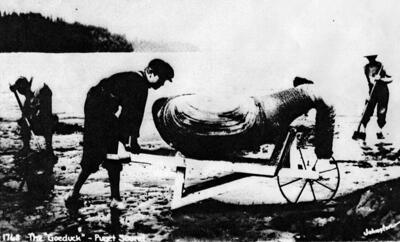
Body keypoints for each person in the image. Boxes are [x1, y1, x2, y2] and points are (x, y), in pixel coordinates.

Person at [65, 59, 174, 210]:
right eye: (161, 79)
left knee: (110, 155)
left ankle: (81, 194)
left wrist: (127, 139)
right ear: (150, 72)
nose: (161, 84)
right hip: (98, 109)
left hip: (99, 106)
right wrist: (131, 140)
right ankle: (84, 195)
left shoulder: (138, 81)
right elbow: (132, 115)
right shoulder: (139, 84)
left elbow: (132, 115)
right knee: (99, 155)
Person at [9, 77, 58, 155]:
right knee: (23, 121)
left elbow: (43, 92)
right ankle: (27, 147)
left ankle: (48, 148)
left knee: (46, 119)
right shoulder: (28, 100)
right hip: (39, 125)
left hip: (44, 125)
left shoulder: (38, 93)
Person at [360, 55, 392, 139]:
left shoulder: (381, 66)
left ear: (375, 58)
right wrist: (367, 95)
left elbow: (391, 79)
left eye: (372, 58)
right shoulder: (366, 68)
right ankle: (363, 131)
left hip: (383, 92)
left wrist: (381, 79)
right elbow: (369, 81)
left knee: (381, 112)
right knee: (367, 111)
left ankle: (379, 131)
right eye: (369, 58)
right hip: (372, 92)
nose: (371, 60)